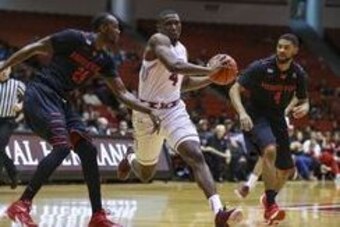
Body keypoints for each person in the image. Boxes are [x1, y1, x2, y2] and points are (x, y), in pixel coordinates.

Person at [0, 13, 161, 227]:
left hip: (63, 102)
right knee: (62, 147)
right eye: (116, 27)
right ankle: (21, 205)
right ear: (103, 28)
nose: (119, 32)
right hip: (42, 93)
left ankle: (97, 216)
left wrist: (147, 109)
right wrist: (3, 67)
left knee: (88, 150)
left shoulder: (105, 60)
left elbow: (122, 94)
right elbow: (35, 47)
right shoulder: (74, 38)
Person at [116, 10, 243, 227]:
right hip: (148, 113)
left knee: (195, 155)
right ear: (159, 27)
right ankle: (130, 157)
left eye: (177, 23)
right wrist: (210, 69)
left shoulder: (181, 48)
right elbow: (174, 66)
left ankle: (219, 212)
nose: (174, 27)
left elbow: (183, 84)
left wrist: (211, 77)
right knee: (146, 174)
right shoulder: (157, 41)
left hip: (174, 110)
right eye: (169, 23)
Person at [229, 33, 309, 224]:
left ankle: (267, 199)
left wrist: (305, 107)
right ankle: (271, 203)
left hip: (277, 118)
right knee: (270, 150)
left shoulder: (298, 74)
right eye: (279, 46)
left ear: (295, 50)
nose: (281, 50)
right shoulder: (261, 67)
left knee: (287, 170)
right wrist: (242, 113)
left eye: (286, 47)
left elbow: (304, 99)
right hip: (256, 115)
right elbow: (234, 89)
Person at [0, 64, 25, 189]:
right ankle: (13, 174)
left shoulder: (17, 84)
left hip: (8, 121)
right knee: (0, 150)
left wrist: (21, 105)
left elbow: (29, 98)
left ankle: (13, 173)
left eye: (6, 69)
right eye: (1, 69)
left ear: (10, 70)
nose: (3, 72)